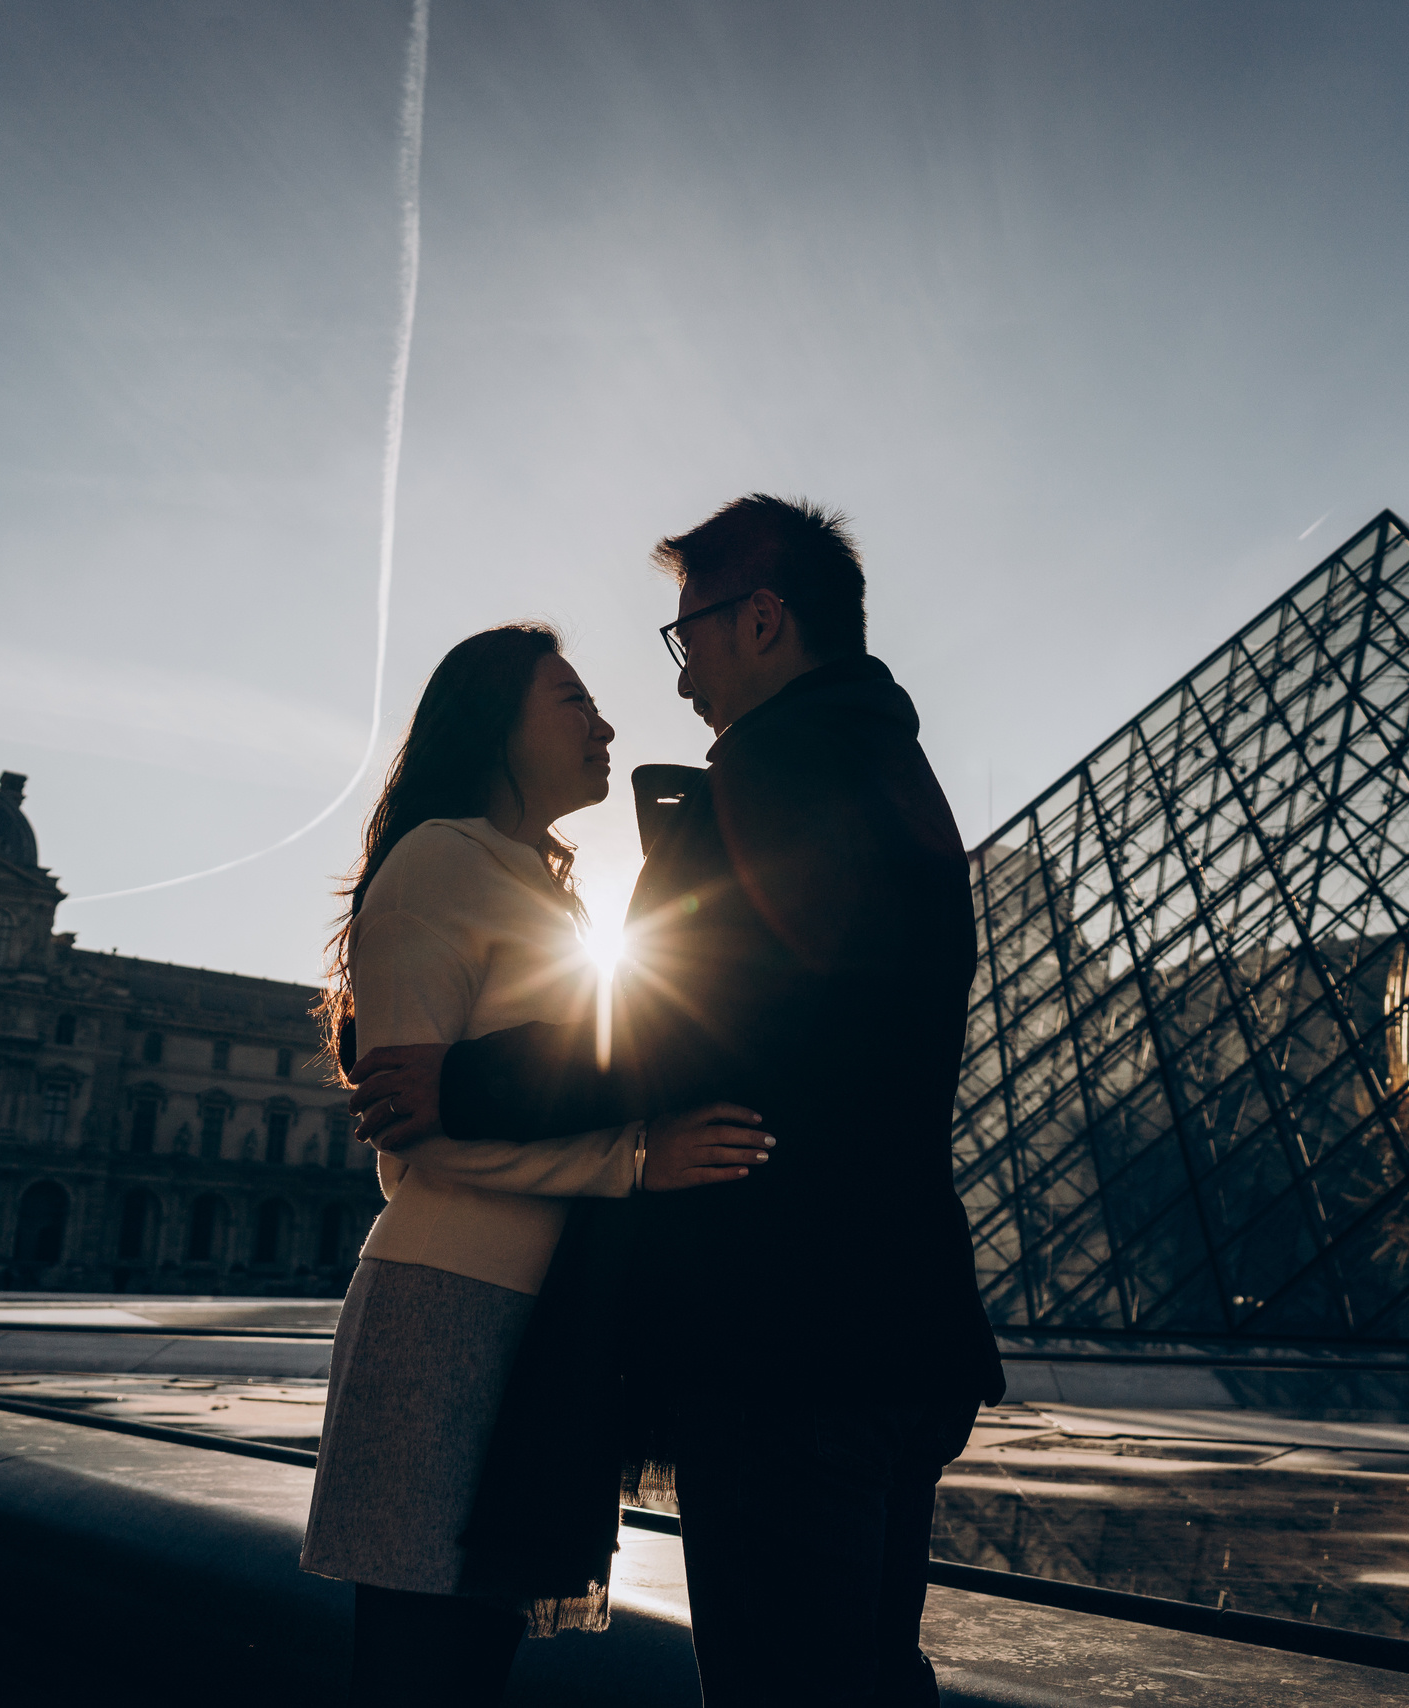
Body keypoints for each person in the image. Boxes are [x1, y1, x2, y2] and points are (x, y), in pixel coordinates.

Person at [354, 496, 1007, 1708]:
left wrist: (466, 1078)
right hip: (902, 1322)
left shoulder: (772, 768)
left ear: (761, 619)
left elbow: (681, 1018)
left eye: (688, 634)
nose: (681, 671)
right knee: (869, 1677)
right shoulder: (892, 765)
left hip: (787, 1328)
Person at [301, 623, 768, 1708]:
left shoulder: (545, 889)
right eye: (572, 700)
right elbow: (411, 1122)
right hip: (447, 1301)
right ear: (493, 723)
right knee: (423, 1662)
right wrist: (635, 1160)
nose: (606, 723)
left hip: (538, 1311)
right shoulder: (435, 861)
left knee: (470, 1659)